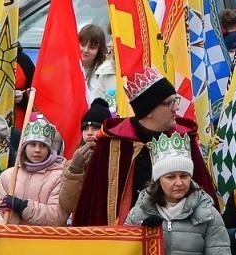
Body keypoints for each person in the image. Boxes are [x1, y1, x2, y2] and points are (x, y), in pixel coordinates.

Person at [60, 67, 216, 225]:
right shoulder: (112, 143)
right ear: (148, 110)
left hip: (178, 237)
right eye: (170, 103)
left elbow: (204, 198)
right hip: (125, 239)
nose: (176, 107)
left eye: (176, 101)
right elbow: (92, 204)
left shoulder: (183, 138)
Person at [0, 117, 67, 226]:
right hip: (13, 238)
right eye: (33, 144)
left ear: (49, 149)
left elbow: (57, 216)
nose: (37, 150)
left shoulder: (59, 176)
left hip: (45, 240)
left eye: (43, 145)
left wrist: (24, 207)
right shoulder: (8, 175)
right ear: (24, 147)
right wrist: (17, 224)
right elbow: (0, 212)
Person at [79, 23, 117, 105]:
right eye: (82, 44)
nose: (85, 50)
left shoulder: (104, 73)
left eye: (92, 47)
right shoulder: (66, 68)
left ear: (99, 50)